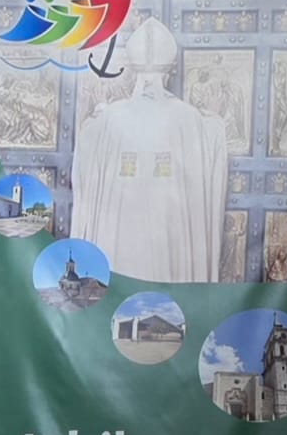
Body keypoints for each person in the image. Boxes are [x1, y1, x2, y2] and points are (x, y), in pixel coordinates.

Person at [70, 17, 228, 282]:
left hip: (118, 237)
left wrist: (95, 119)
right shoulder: (193, 121)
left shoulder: (108, 119)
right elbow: (213, 144)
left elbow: (87, 153)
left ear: (132, 69)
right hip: (170, 237)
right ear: (171, 71)